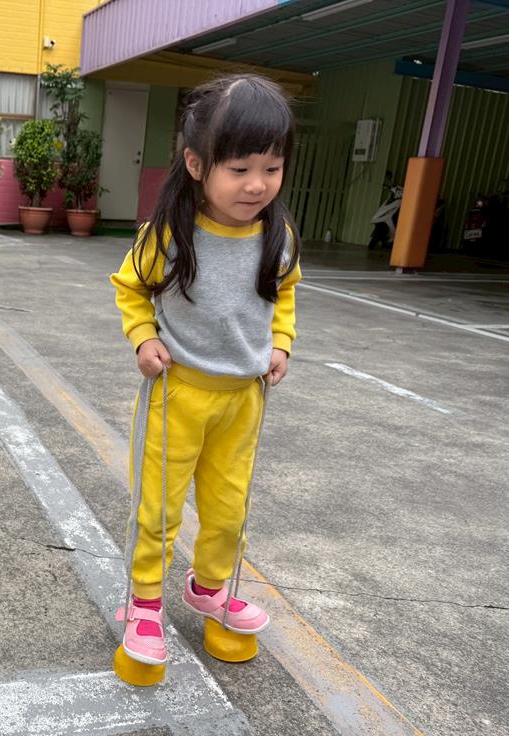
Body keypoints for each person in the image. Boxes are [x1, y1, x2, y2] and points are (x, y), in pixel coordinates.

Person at [110, 75, 302, 667]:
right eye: (239, 168)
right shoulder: (170, 234)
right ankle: (144, 602)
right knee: (159, 508)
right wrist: (143, 337)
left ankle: (210, 587)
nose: (257, 184)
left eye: (271, 168)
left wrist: (281, 342)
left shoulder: (278, 236)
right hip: (178, 394)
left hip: (242, 399)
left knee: (228, 508)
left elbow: (284, 293)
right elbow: (130, 288)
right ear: (196, 164)